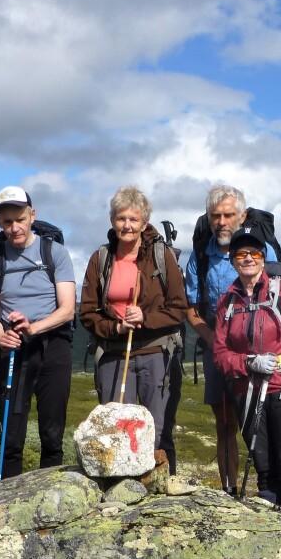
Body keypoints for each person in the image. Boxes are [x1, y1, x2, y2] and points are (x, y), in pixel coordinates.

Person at [212, 228, 281, 517]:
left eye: (254, 252)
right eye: (241, 253)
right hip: (247, 392)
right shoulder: (227, 302)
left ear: (263, 257)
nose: (248, 258)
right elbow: (220, 354)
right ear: (232, 260)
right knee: (263, 467)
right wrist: (248, 362)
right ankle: (272, 529)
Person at [79, 186, 187, 470]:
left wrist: (145, 318)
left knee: (158, 432)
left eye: (133, 219)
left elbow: (178, 309)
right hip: (114, 353)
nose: (127, 225)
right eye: (121, 218)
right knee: (117, 431)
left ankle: (163, 488)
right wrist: (115, 328)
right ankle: (121, 491)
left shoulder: (162, 256)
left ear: (144, 222)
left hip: (156, 353)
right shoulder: (101, 258)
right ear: (112, 220)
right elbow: (87, 313)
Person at [0, 186, 76, 479]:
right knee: (11, 434)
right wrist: (1, 337)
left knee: (52, 432)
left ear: (32, 215)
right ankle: (9, 497)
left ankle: (51, 495)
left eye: (20, 219)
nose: (14, 228)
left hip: (53, 345)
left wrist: (33, 327)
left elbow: (67, 309)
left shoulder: (55, 253)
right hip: (13, 348)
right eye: (7, 221)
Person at [184, 185, 247, 494]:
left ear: (242, 217)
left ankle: (269, 491)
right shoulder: (200, 256)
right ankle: (229, 490)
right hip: (216, 352)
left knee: (258, 422)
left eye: (228, 215)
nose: (221, 222)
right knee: (224, 424)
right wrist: (212, 340)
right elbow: (191, 308)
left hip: (253, 352)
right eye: (215, 216)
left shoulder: (258, 251)